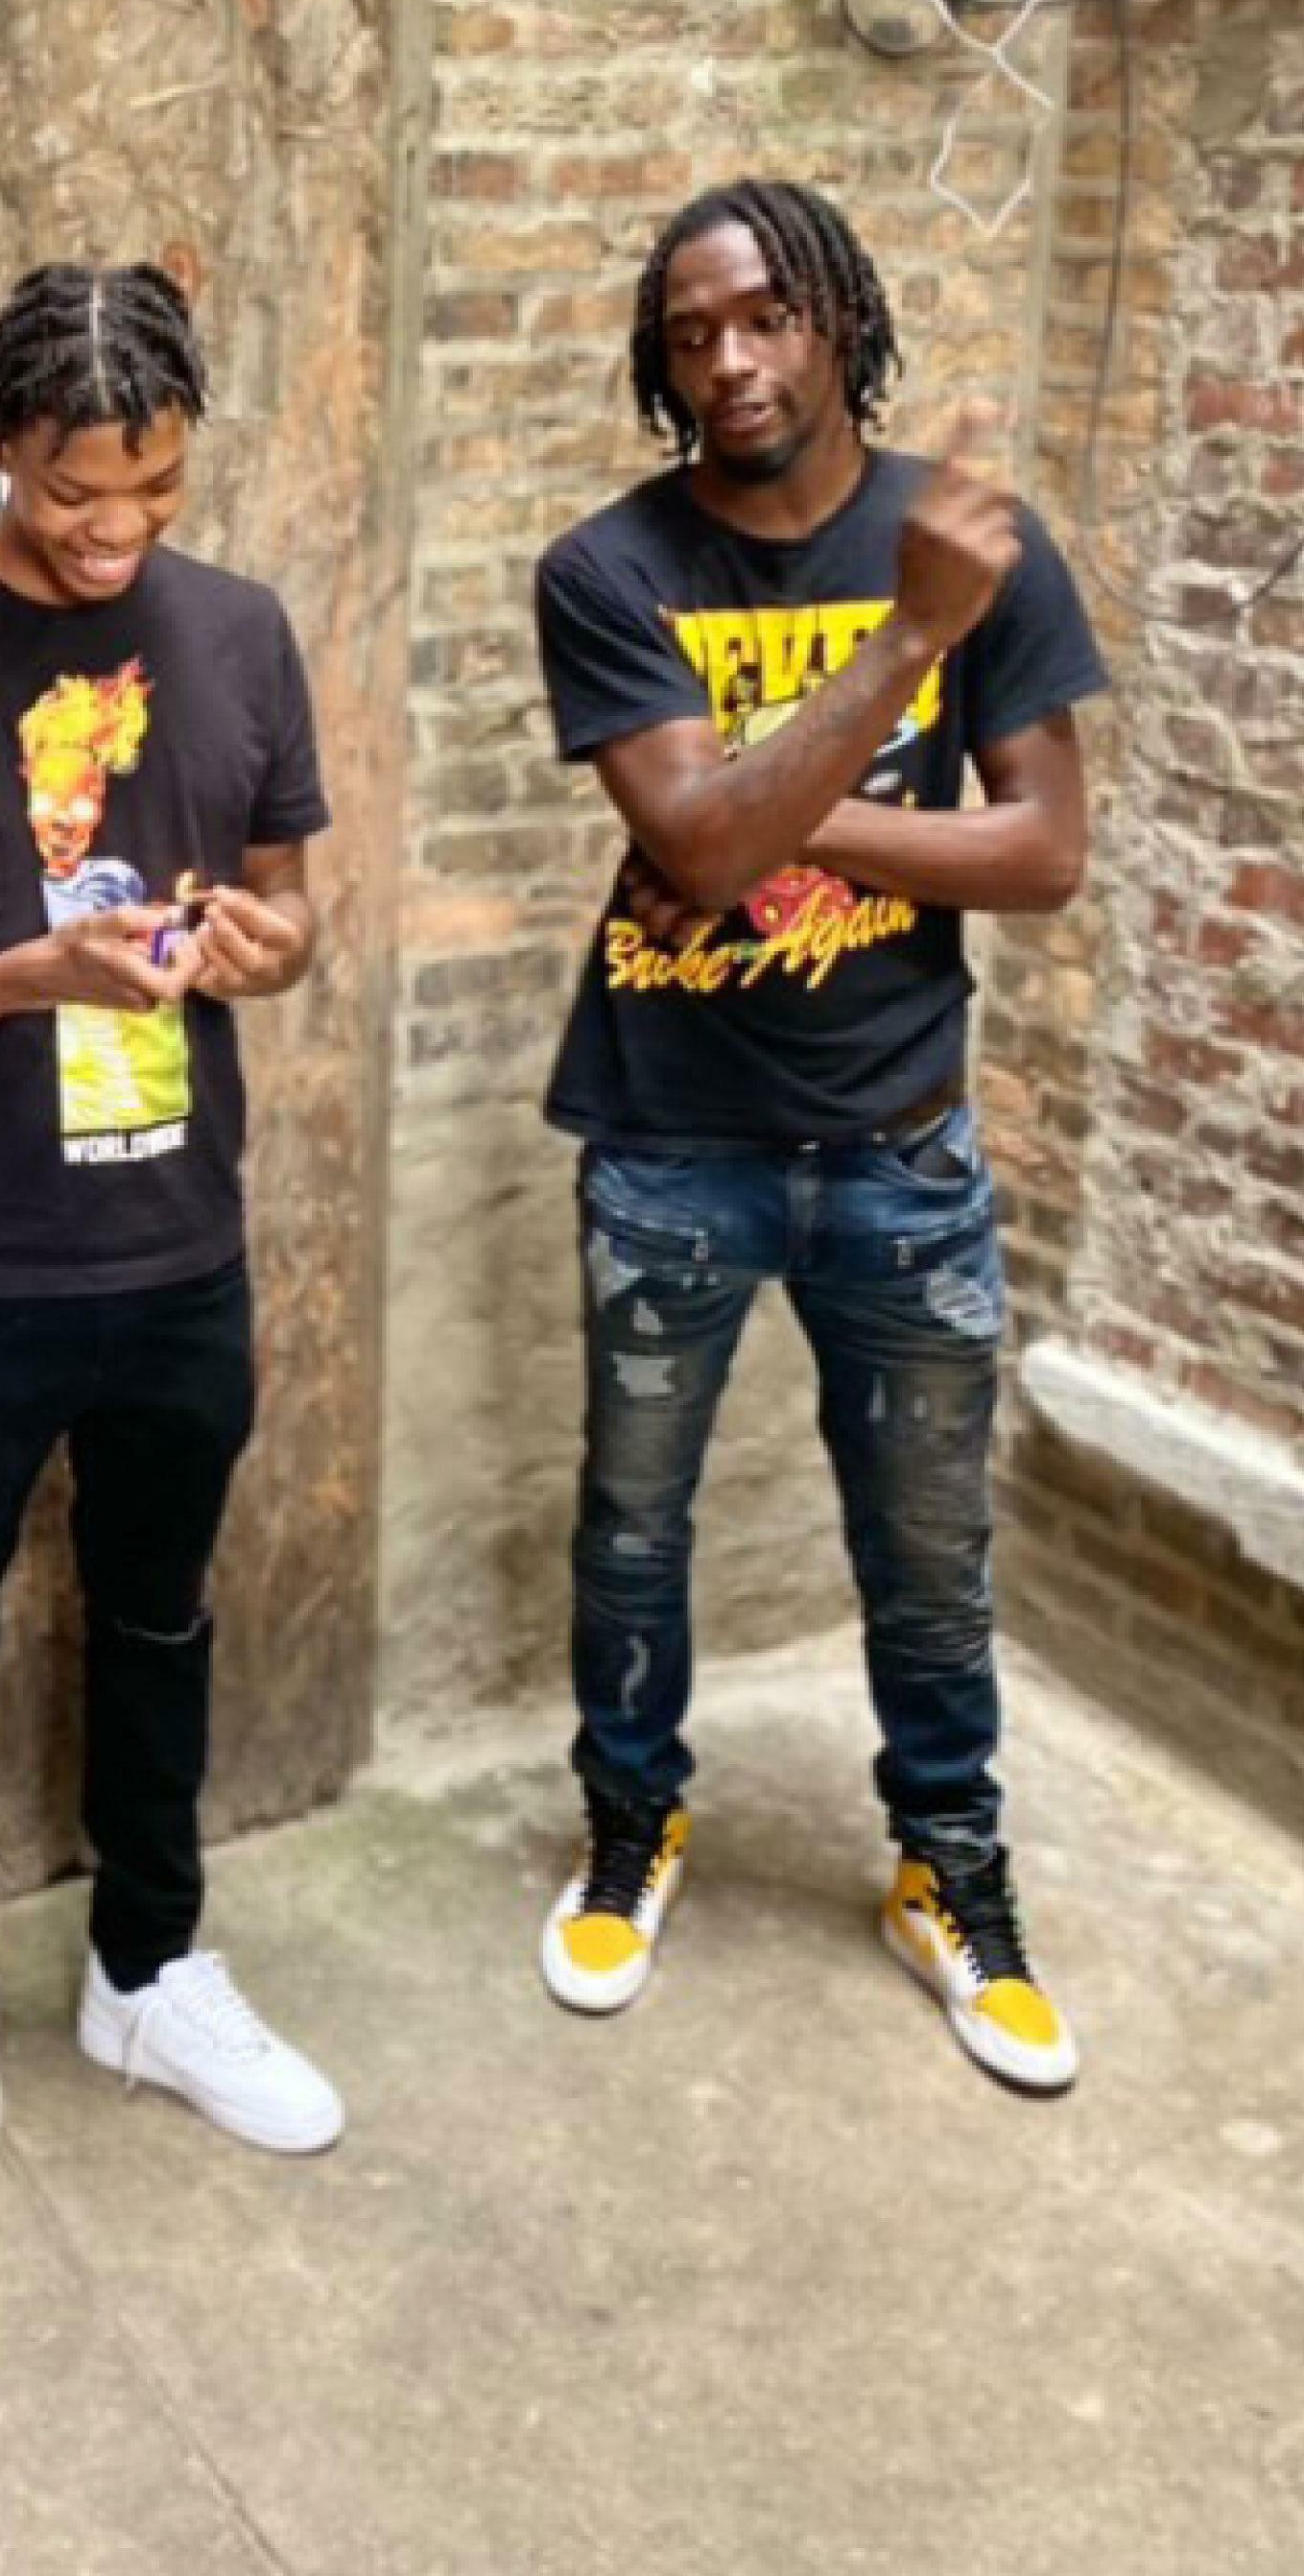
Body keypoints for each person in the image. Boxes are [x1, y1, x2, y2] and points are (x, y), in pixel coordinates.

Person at [0, 260, 346, 2269]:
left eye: (156, 490)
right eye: (73, 491)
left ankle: (147, 1970)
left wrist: (270, 946)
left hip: (178, 1242)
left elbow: (287, 904)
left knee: (161, 1618)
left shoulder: (241, 634)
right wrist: (27, 971)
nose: (115, 530)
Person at [529, 177, 1108, 2093]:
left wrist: (764, 817)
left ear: (841, 318)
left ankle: (953, 1873)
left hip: (902, 1149)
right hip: (670, 1143)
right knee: (634, 1528)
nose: (733, 361)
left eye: (768, 315)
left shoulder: (973, 542)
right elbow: (693, 849)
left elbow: (1044, 851)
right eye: (692, 334)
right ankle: (633, 1825)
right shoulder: (611, 570)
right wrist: (900, 654)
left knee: (929, 1549)